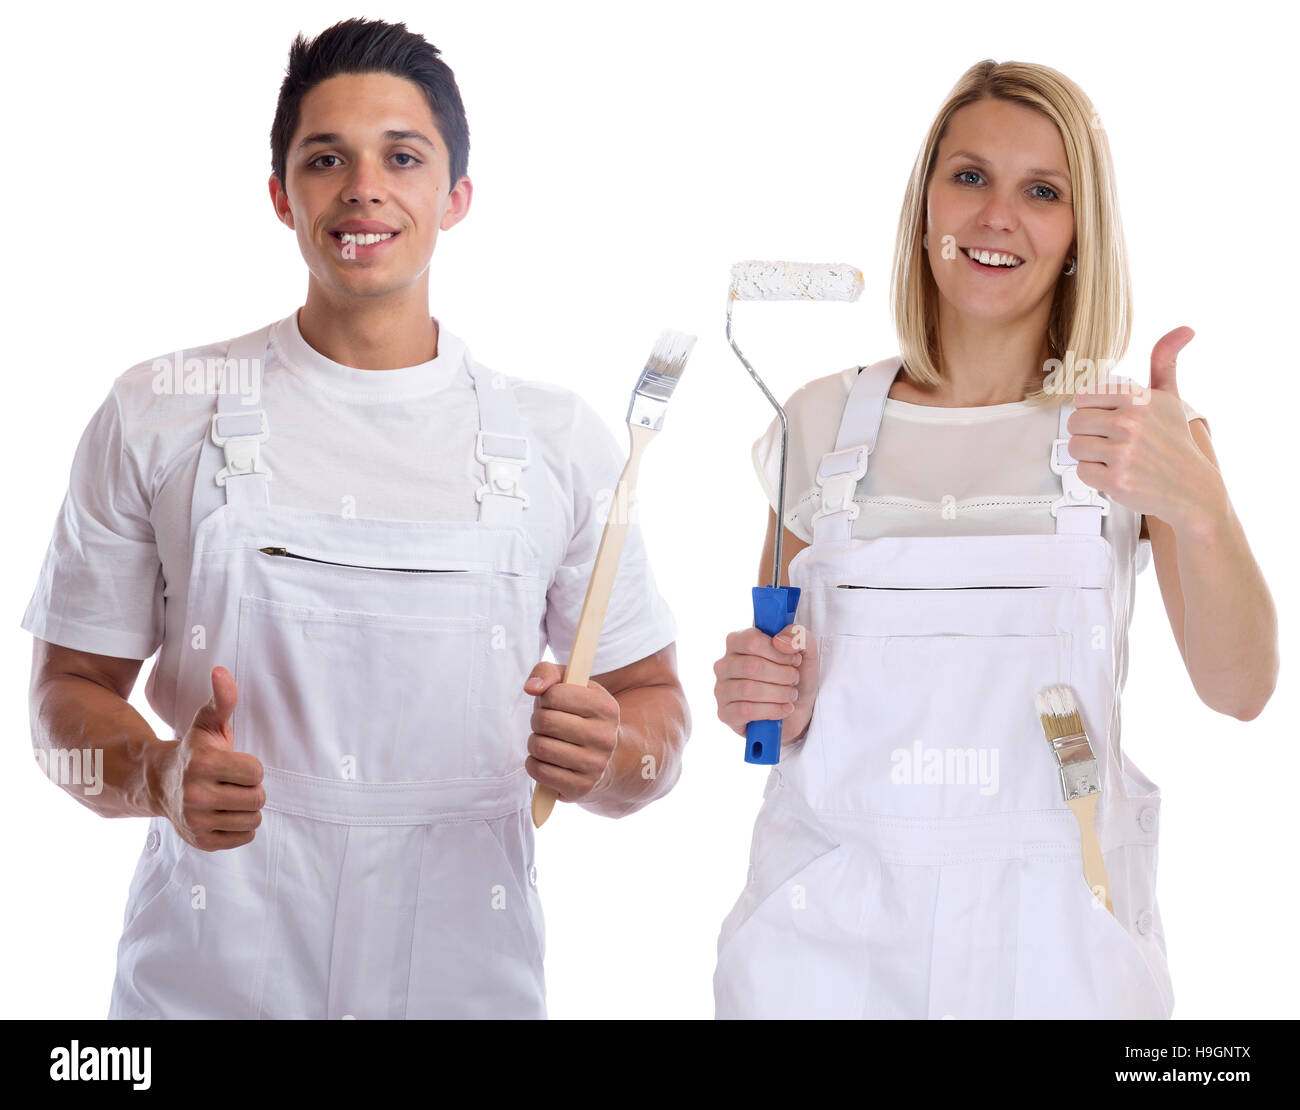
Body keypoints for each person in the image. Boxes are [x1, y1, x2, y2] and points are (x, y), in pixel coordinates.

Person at [22, 17, 688, 1020]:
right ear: (282, 195)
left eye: (402, 156)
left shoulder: (560, 443)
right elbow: (62, 700)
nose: (362, 187)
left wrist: (610, 760)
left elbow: (656, 715)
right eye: (325, 157)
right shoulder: (159, 411)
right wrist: (157, 775)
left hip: (467, 978)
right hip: (205, 980)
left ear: (455, 196)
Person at [711, 58, 1277, 1019]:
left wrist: (1199, 505)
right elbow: (783, 689)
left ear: (1078, 233)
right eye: (969, 176)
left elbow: (1242, 689)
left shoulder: (1132, 431)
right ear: (925, 199)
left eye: (1043, 191)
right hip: (824, 951)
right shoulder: (818, 423)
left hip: (1055, 954)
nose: (996, 216)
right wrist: (760, 690)